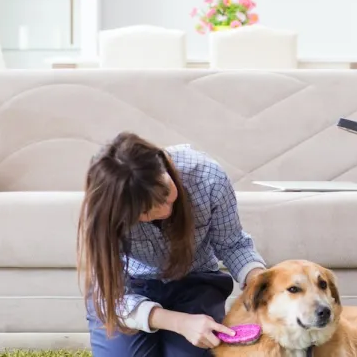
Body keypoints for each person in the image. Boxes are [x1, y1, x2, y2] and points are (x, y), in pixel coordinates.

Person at [77, 131, 268, 356]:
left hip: (196, 284)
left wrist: (261, 281)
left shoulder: (207, 176)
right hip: (132, 287)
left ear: (164, 165)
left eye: (166, 193)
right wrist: (179, 323)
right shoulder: (104, 210)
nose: (165, 211)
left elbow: (232, 244)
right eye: (146, 211)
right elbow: (110, 295)